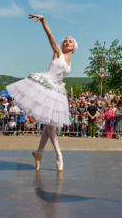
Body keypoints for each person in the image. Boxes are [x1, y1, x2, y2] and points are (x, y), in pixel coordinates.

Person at [6, 14, 75, 172]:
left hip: (57, 92)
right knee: (51, 126)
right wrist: (44, 20)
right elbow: (50, 36)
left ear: (74, 47)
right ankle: (59, 154)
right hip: (46, 87)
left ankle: (39, 153)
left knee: (49, 125)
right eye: (65, 40)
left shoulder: (70, 62)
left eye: (70, 41)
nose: (66, 42)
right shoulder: (58, 52)